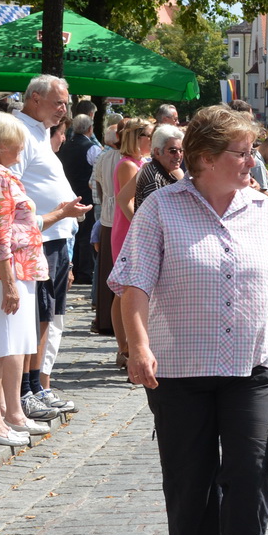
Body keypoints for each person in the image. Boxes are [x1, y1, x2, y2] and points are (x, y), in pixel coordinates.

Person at [111, 105, 268, 535]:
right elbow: (134, 288)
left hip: (254, 364)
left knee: (253, 469)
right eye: (241, 153)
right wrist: (139, 347)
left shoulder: (264, 212)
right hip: (179, 369)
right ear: (204, 158)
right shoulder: (160, 210)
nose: (253, 161)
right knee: (190, 478)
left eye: (252, 152)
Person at [0, 112, 82, 447]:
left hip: (6, 272)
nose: (22, 148)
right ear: (1, 143)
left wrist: (61, 212)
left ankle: (7, 416)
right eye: (17, 142)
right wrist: (10, 283)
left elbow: (19, 227)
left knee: (10, 345)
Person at [13, 77, 92, 421]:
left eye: (66, 102)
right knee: (36, 316)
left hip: (56, 237)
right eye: (58, 102)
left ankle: (36, 384)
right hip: (37, 239)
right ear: (34, 99)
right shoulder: (18, 132)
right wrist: (57, 214)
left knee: (47, 316)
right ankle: (24, 390)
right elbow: (13, 189)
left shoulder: (42, 131)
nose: (65, 109)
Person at [110, 118, 153, 369]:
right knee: (122, 289)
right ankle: (123, 346)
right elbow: (122, 200)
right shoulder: (128, 164)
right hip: (128, 230)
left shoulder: (140, 162)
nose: (151, 139)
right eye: (149, 135)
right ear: (138, 138)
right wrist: (139, 226)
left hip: (133, 228)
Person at [91, 116, 122, 342]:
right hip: (117, 216)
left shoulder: (103, 157)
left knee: (107, 272)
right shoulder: (125, 159)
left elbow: (96, 184)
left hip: (106, 214)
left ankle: (104, 319)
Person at [61, 112, 100, 285]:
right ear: (90, 129)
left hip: (67, 195)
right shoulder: (92, 148)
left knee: (72, 233)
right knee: (85, 235)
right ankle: (84, 272)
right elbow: (97, 172)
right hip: (85, 195)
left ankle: (74, 268)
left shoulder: (64, 146)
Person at [133, 125, 185, 210]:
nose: (178, 155)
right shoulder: (154, 180)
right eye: (173, 151)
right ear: (157, 152)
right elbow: (160, 217)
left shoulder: (160, 171)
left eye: (181, 150)